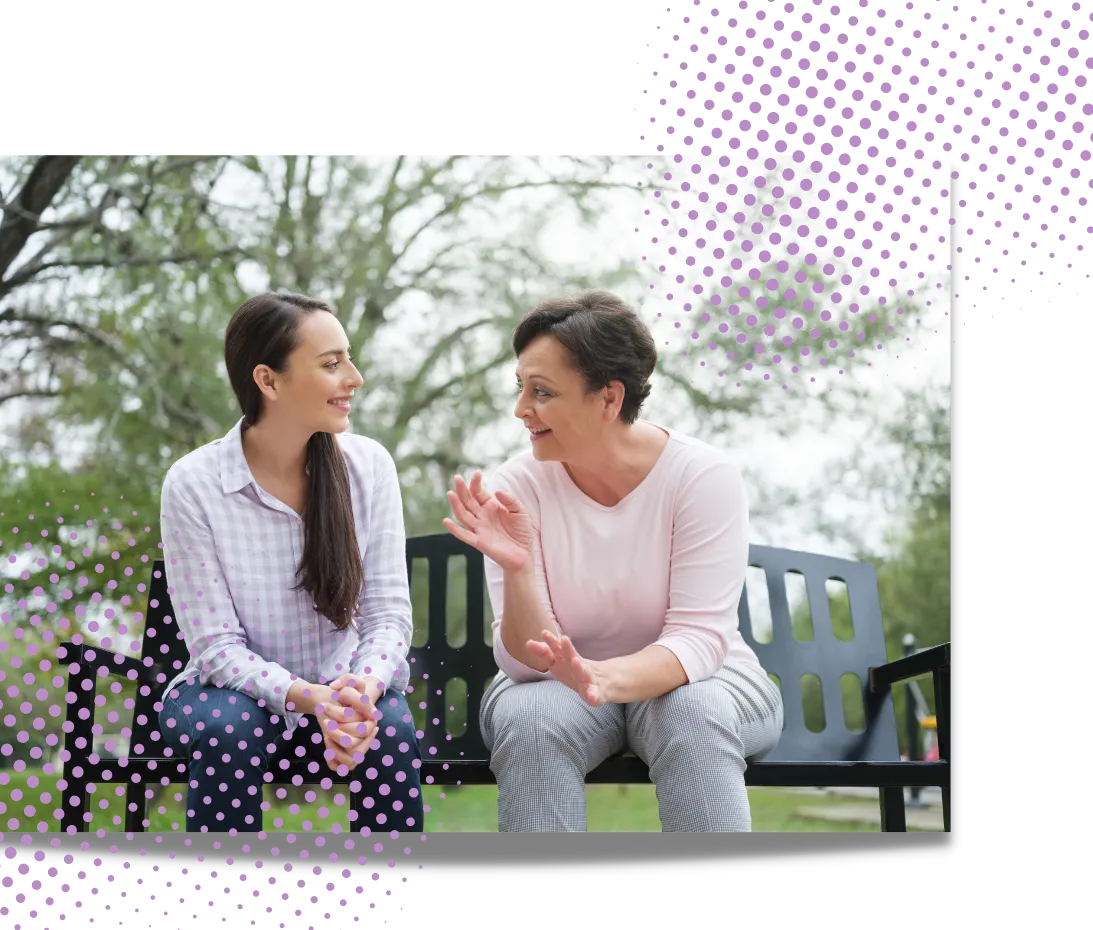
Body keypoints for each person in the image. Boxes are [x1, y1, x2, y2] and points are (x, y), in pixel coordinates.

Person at [443, 289, 783, 832]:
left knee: (692, 714)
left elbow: (698, 640)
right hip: (557, 691)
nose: (520, 410)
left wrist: (600, 677)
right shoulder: (516, 485)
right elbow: (526, 667)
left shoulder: (701, 477)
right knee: (529, 718)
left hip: (700, 682)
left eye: (542, 392)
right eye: (521, 388)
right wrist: (520, 567)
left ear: (607, 398)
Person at [156, 291, 421, 836]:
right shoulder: (195, 483)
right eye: (332, 364)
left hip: (346, 690)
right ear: (268, 381)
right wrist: (308, 698)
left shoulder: (368, 467)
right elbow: (216, 647)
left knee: (389, 726)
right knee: (229, 726)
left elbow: (387, 617)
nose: (355, 377)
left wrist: (358, 694)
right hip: (228, 698)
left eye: (347, 358)